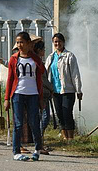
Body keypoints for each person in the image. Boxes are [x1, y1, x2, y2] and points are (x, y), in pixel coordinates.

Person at [5, 32, 45, 161]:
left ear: (29, 43)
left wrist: (41, 98)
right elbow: (10, 79)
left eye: (22, 42)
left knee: (34, 122)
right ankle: (16, 151)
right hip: (18, 94)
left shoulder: (36, 59)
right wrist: (6, 98)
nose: (19, 45)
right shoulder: (13, 59)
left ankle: (37, 149)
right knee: (18, 123)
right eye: (17, 42)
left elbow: (40, 78)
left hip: (33, 94)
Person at [45, 33, 82, 141]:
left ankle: (71, 137)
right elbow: (45, 72)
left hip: (68, 90)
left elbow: (75, 74)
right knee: (59, 114)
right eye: (55, 42)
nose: (57, 44)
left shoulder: (69, 56)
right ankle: (65, 137)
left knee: (67, 113)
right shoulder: (51, 57)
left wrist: (78, 89)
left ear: (63, 42)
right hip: (55, 91)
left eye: (59, 41)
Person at [33, 37, 54, 154]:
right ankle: (39, 142)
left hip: (44, 94)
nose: (44, 51)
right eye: (43, 49)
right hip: (41, 95)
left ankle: (40, 141)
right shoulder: (37, 63)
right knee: (44, 118)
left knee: (42, 118)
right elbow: (43, 80)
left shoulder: (40, 62)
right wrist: (51, 88)